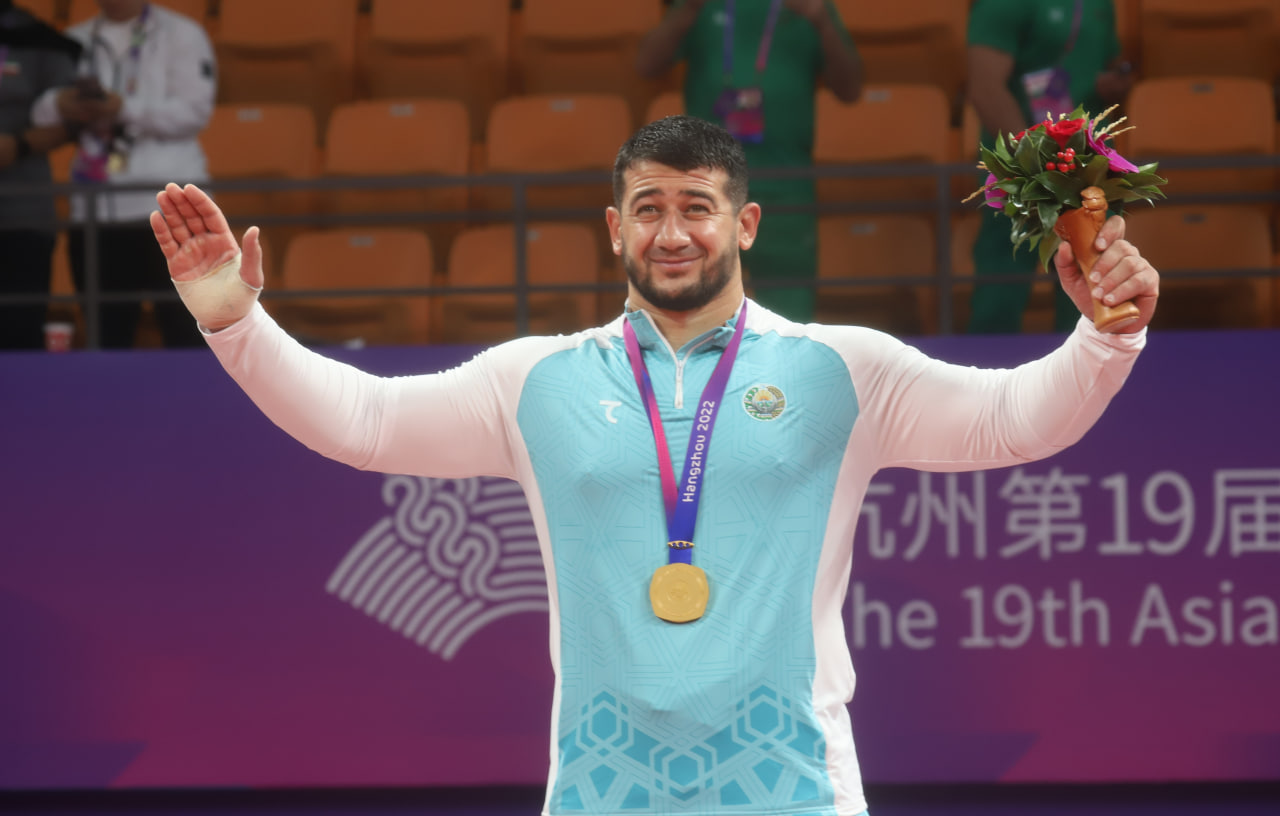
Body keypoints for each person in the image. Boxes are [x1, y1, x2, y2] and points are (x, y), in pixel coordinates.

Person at [151, 115, 1158, 816]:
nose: (670, 233)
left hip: (796, 793)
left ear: (744, 223)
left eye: (696, 207)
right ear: (613, 228)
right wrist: (235, 321)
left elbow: (1014, 422)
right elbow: (364, 421)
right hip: (602, 796)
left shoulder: (840, 369)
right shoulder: (534, 382)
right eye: (645, 209)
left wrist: (1104, 337)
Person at [636, 0, 863, 323]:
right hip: (707, 188)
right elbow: (646, 65)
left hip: (786, 188)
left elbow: (850, 89)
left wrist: (822, 20)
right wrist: (688, 8)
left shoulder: (812, 7)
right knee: (699, 313)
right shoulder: (697, 6)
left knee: (788, 321)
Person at [31, 0, 215, 348]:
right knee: (107, 337)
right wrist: (61, 103)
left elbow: (194, 112)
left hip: (172, 208)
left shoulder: (182, 34)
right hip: (97, 212)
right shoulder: (74, 39)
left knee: (188, 334)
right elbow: (39, 111)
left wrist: (124, 109)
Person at [966, 0, 1134, 334]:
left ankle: (1090, 364)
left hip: (1087, 168)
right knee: (1001, 290)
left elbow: (1104, 62)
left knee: (1091, 291)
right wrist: (1034, 166)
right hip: (1022, 172)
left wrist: (1112, 82)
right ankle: (989, 363)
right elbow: (986, 89)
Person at [0, 1, 79, 350]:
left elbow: (74, 118)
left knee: (20, 334)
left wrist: (18, 146)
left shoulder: (37, 38)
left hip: (22, 212)